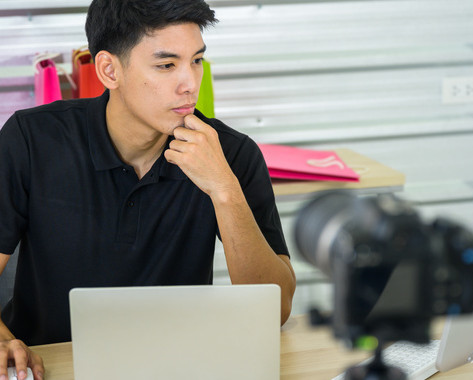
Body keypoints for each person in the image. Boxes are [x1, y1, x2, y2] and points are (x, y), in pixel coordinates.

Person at [0, 1, 296, 379]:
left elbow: (276, 311)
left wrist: (224, 189)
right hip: (52, 367)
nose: (190, 83)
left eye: (197, 61)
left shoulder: (230, 153)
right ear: (109, 70)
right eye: (166, 65)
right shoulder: (32, 139)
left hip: (178, 367)